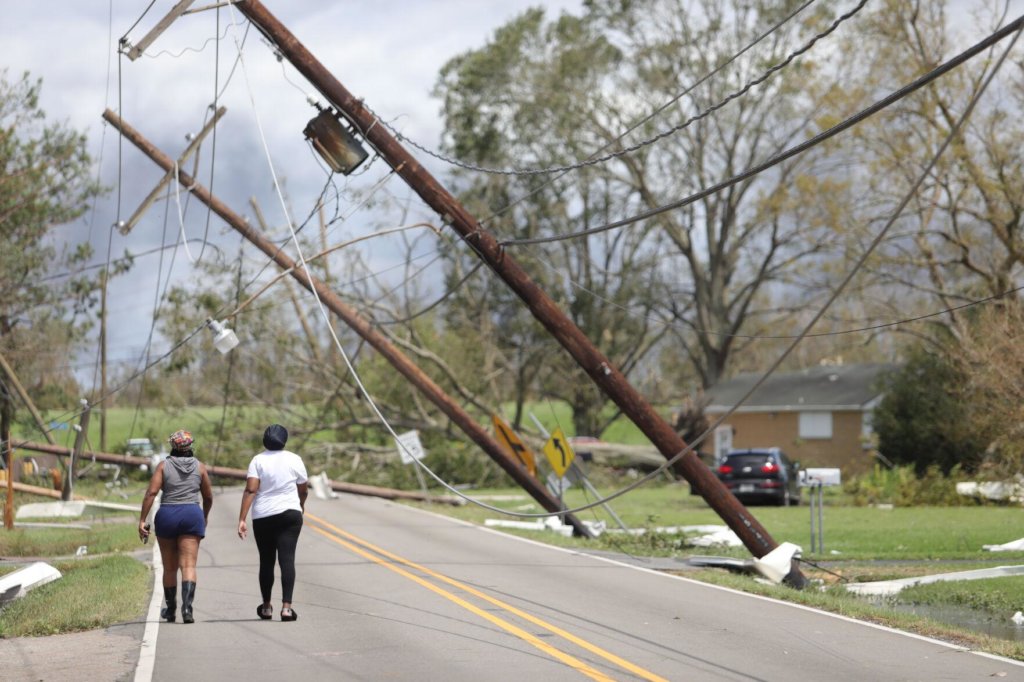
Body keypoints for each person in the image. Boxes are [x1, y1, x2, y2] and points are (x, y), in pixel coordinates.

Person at [138, 429, 214, 624]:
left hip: (168, 515)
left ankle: (171, 610)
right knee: (188, 565)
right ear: (190, 446)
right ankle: (187, 610)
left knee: (170, 568)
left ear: (173, 447)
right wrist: (204, 516)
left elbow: (151, 493)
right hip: (192, 514)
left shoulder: (163, 466)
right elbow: (208, 496)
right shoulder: (200, 467)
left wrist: (142, 520)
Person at [237, 424, 308, 622]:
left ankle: (266, 606)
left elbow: (251, 490)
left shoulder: (257, 460)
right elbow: (303, 489)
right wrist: (300, 505)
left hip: (263, 516)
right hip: (290, 514)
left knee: (266, 561)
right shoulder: (295, 459)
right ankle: (287, 608)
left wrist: (242, 518)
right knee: (287, 559)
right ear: (284, 440)